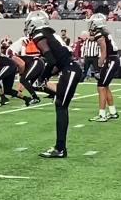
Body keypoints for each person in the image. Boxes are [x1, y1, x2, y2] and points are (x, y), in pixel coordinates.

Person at [25, 11, 82, 158]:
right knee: (60, 105)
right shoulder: (50, 33)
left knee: (61, 106)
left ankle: (60, 148)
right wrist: (47, 76)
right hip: (69, 68)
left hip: (70, 69)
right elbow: (56, 62)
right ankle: (60, 147)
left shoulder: (40, 35)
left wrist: (43, 77)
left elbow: (50, 61)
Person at [86, 14, 120, 122]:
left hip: (111, 60)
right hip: (112, 60)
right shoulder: (104, 32)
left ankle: (102, 114)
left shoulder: (100, 34)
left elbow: (104, 52)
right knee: (105, 86)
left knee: (101, 86)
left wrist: (99, 66)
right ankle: (113, 112)